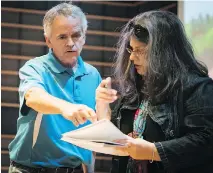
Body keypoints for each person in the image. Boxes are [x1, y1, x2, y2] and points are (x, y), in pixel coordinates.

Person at [96, 11, 213, 173]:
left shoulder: (198, 87)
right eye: (131, 49)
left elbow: (205, 141)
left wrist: (154, 151)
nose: (131, 58)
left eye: (140, 50)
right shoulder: (137, 89)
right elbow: (117, 142)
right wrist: (103, 112)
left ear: (163, 52)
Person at [8, 3, 102, 173]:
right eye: (62, 37)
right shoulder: (35, 68)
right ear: (48, 40)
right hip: (31, 169)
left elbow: (93, 130)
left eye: (76, 35)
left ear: (84, 37)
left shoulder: (93, 74)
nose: (71, 43)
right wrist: (66, 107)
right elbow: (34, 97)